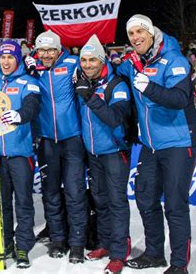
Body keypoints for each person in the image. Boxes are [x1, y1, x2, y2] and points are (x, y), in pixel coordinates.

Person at [116, 15, 196, 274]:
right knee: (145, 198)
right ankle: (154, 253)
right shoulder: (133, 64)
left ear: (152, 33)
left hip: (179, 143)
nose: (135, 37)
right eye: (131, 34)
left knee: (174, 204)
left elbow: (179, 98)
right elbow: (110, 72)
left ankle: (179, 265)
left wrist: (149, 87)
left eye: (140, 31)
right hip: (150, 147)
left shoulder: (174, 59)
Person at [0, 40, 41, 268]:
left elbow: (33, 106)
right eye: (2, 57)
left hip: (20, 153)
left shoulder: (28, 82)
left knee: (23, 202)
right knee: (1, 203)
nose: (5, 61)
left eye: (10, 57)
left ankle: (23, 247)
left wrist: (20, 115)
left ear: (18, 59)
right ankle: (6, 243)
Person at [24, 30, 87, 263]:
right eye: (42, 50)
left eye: (51, 50)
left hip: (72, 139)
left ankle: (78, 243)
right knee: (50, 193)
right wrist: (24, 65)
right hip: (46, 141)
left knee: (75, 192)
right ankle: (58, 239)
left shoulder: (72, 63)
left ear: (59, 49)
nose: (46, 55)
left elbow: (99, 68)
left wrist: (81, 74)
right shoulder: (32, 69)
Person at [74, 35, 132, 274]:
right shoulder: (82, 81)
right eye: (84, 60)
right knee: (100, 200)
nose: (87, 65)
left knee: (117, 202)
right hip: (93, 153)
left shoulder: (116, 85)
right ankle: (105, 243)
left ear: (102, 60)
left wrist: (90, 97)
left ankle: (120, 252)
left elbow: (115, 118)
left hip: (115, 151)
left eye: (92, 60)